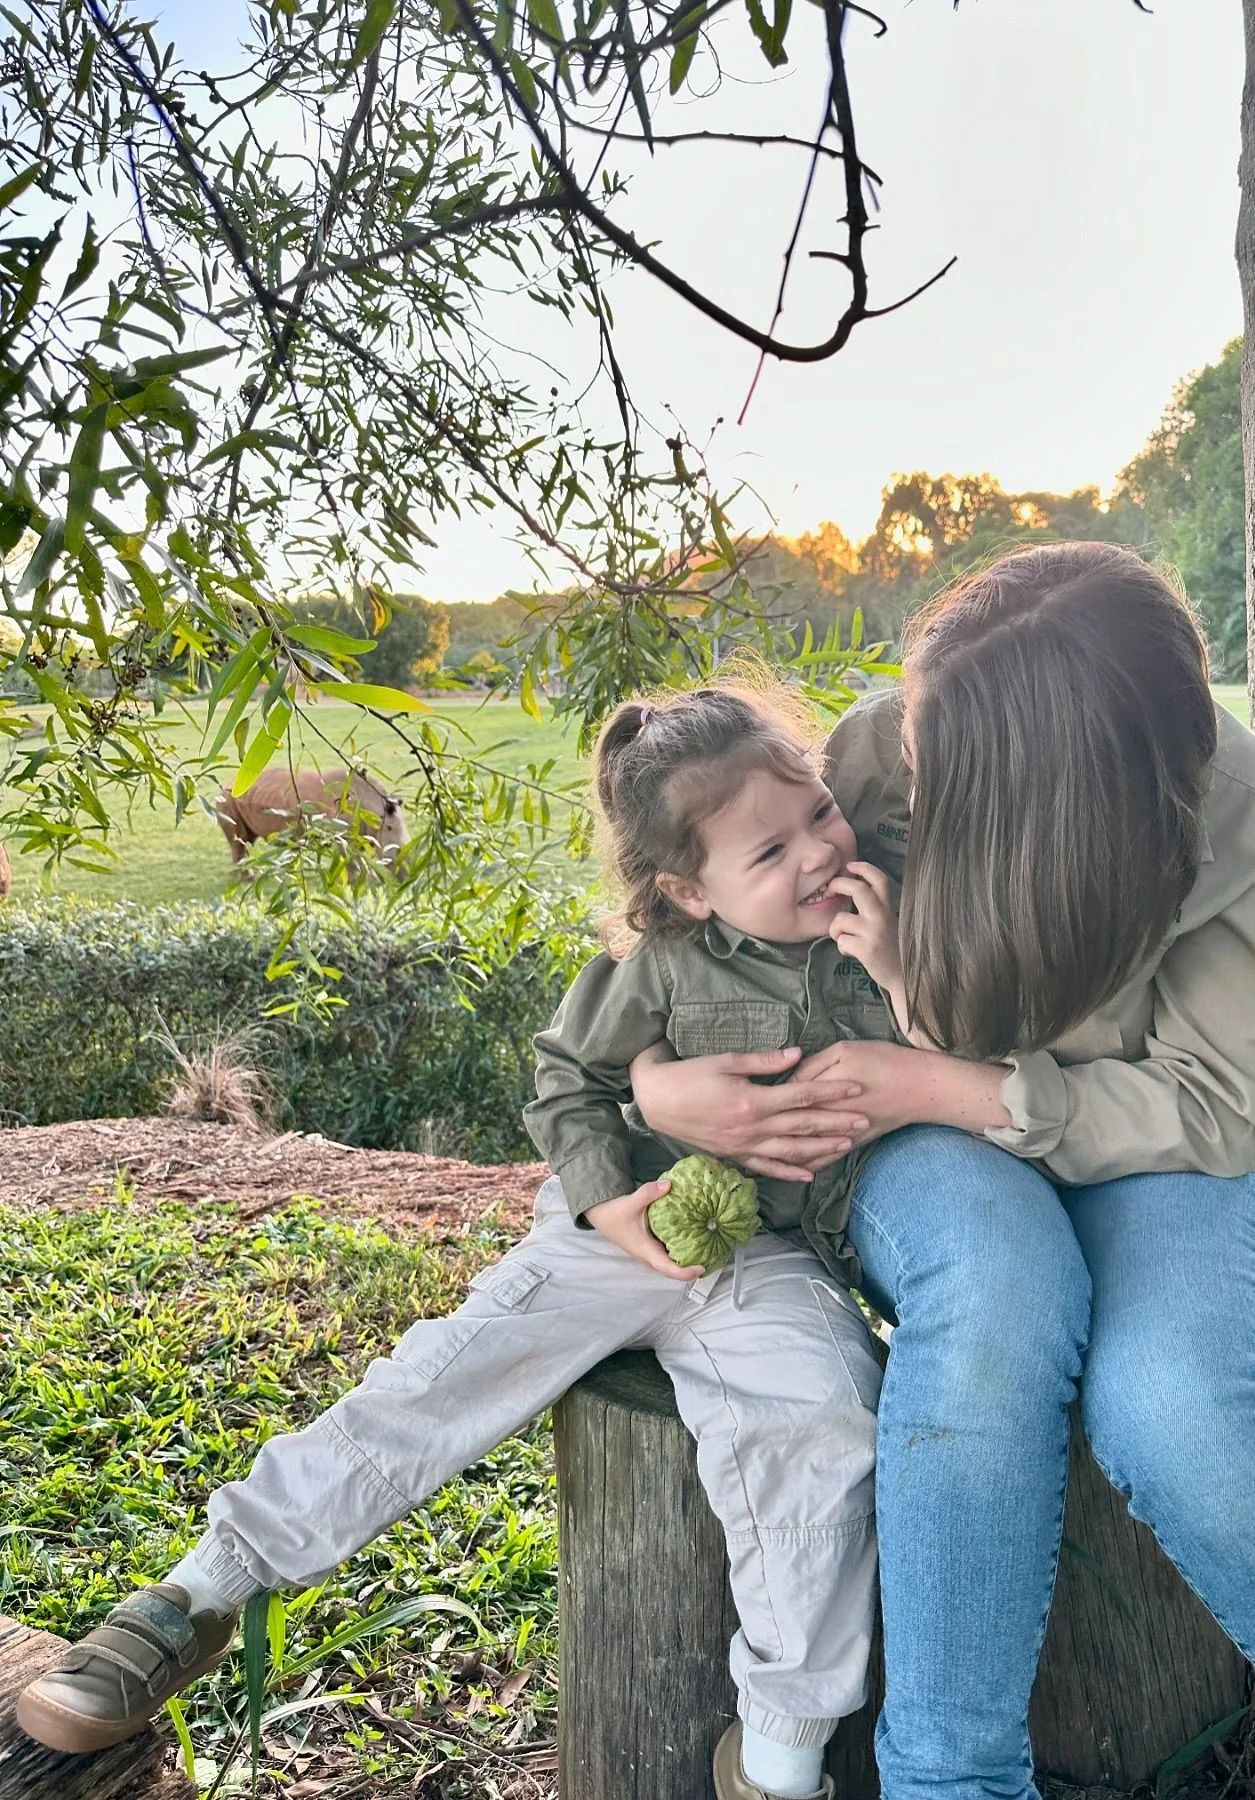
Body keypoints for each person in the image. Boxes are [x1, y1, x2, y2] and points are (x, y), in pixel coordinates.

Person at [628, 543, 1255, 1800]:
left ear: (1071, 794)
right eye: (915, 739)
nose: (912, 773)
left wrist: (958, 1086)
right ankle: (951, 1781)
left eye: (945, 765)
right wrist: (654, 1087)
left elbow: (1215, 1113)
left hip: (1162, 1155)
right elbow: (695, 947)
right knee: (998, 1306)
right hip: (924, 1151)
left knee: (1175, 1400)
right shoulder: (879, 750)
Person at [18, 685, 912, 1800]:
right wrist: (602, 1202)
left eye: (821, 812)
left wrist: (895, 967)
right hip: (629, 1220)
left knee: (828, 1425)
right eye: (771, 849)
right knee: (444, 1377)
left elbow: (944, 1042)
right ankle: (201, 1591)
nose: (822, 852)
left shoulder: (880, 931)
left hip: (765, 1258)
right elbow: (567, 1078)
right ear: (688, 890)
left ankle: (780, 1748)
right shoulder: (666, 966)